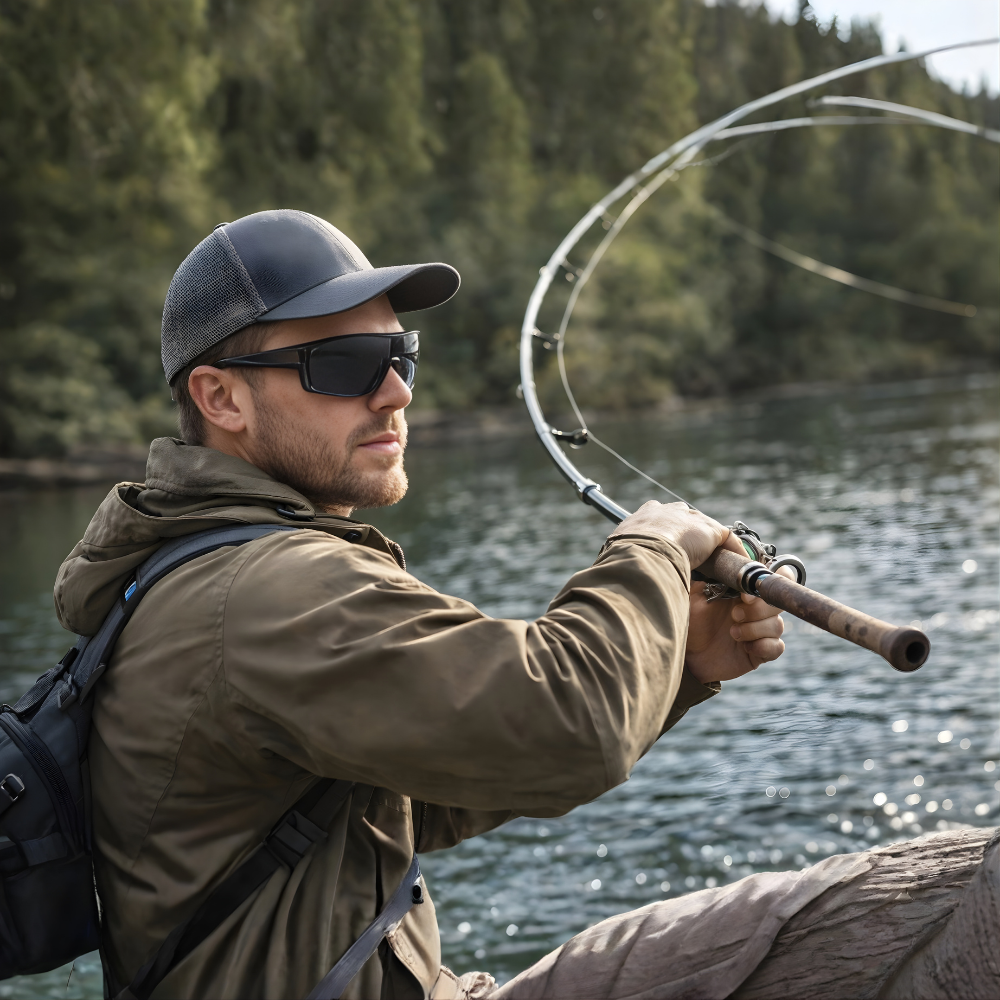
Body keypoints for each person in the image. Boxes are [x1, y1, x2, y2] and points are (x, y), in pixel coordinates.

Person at [55, 210, 789, 1000]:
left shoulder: (197, 573)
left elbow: (421, 801)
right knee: (828, 922)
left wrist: (678, 661)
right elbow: (569, 726)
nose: (397, 390)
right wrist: (650, 547)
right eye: (344, 363)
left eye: (401, 355)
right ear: (220, 397)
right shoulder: (265, 592)